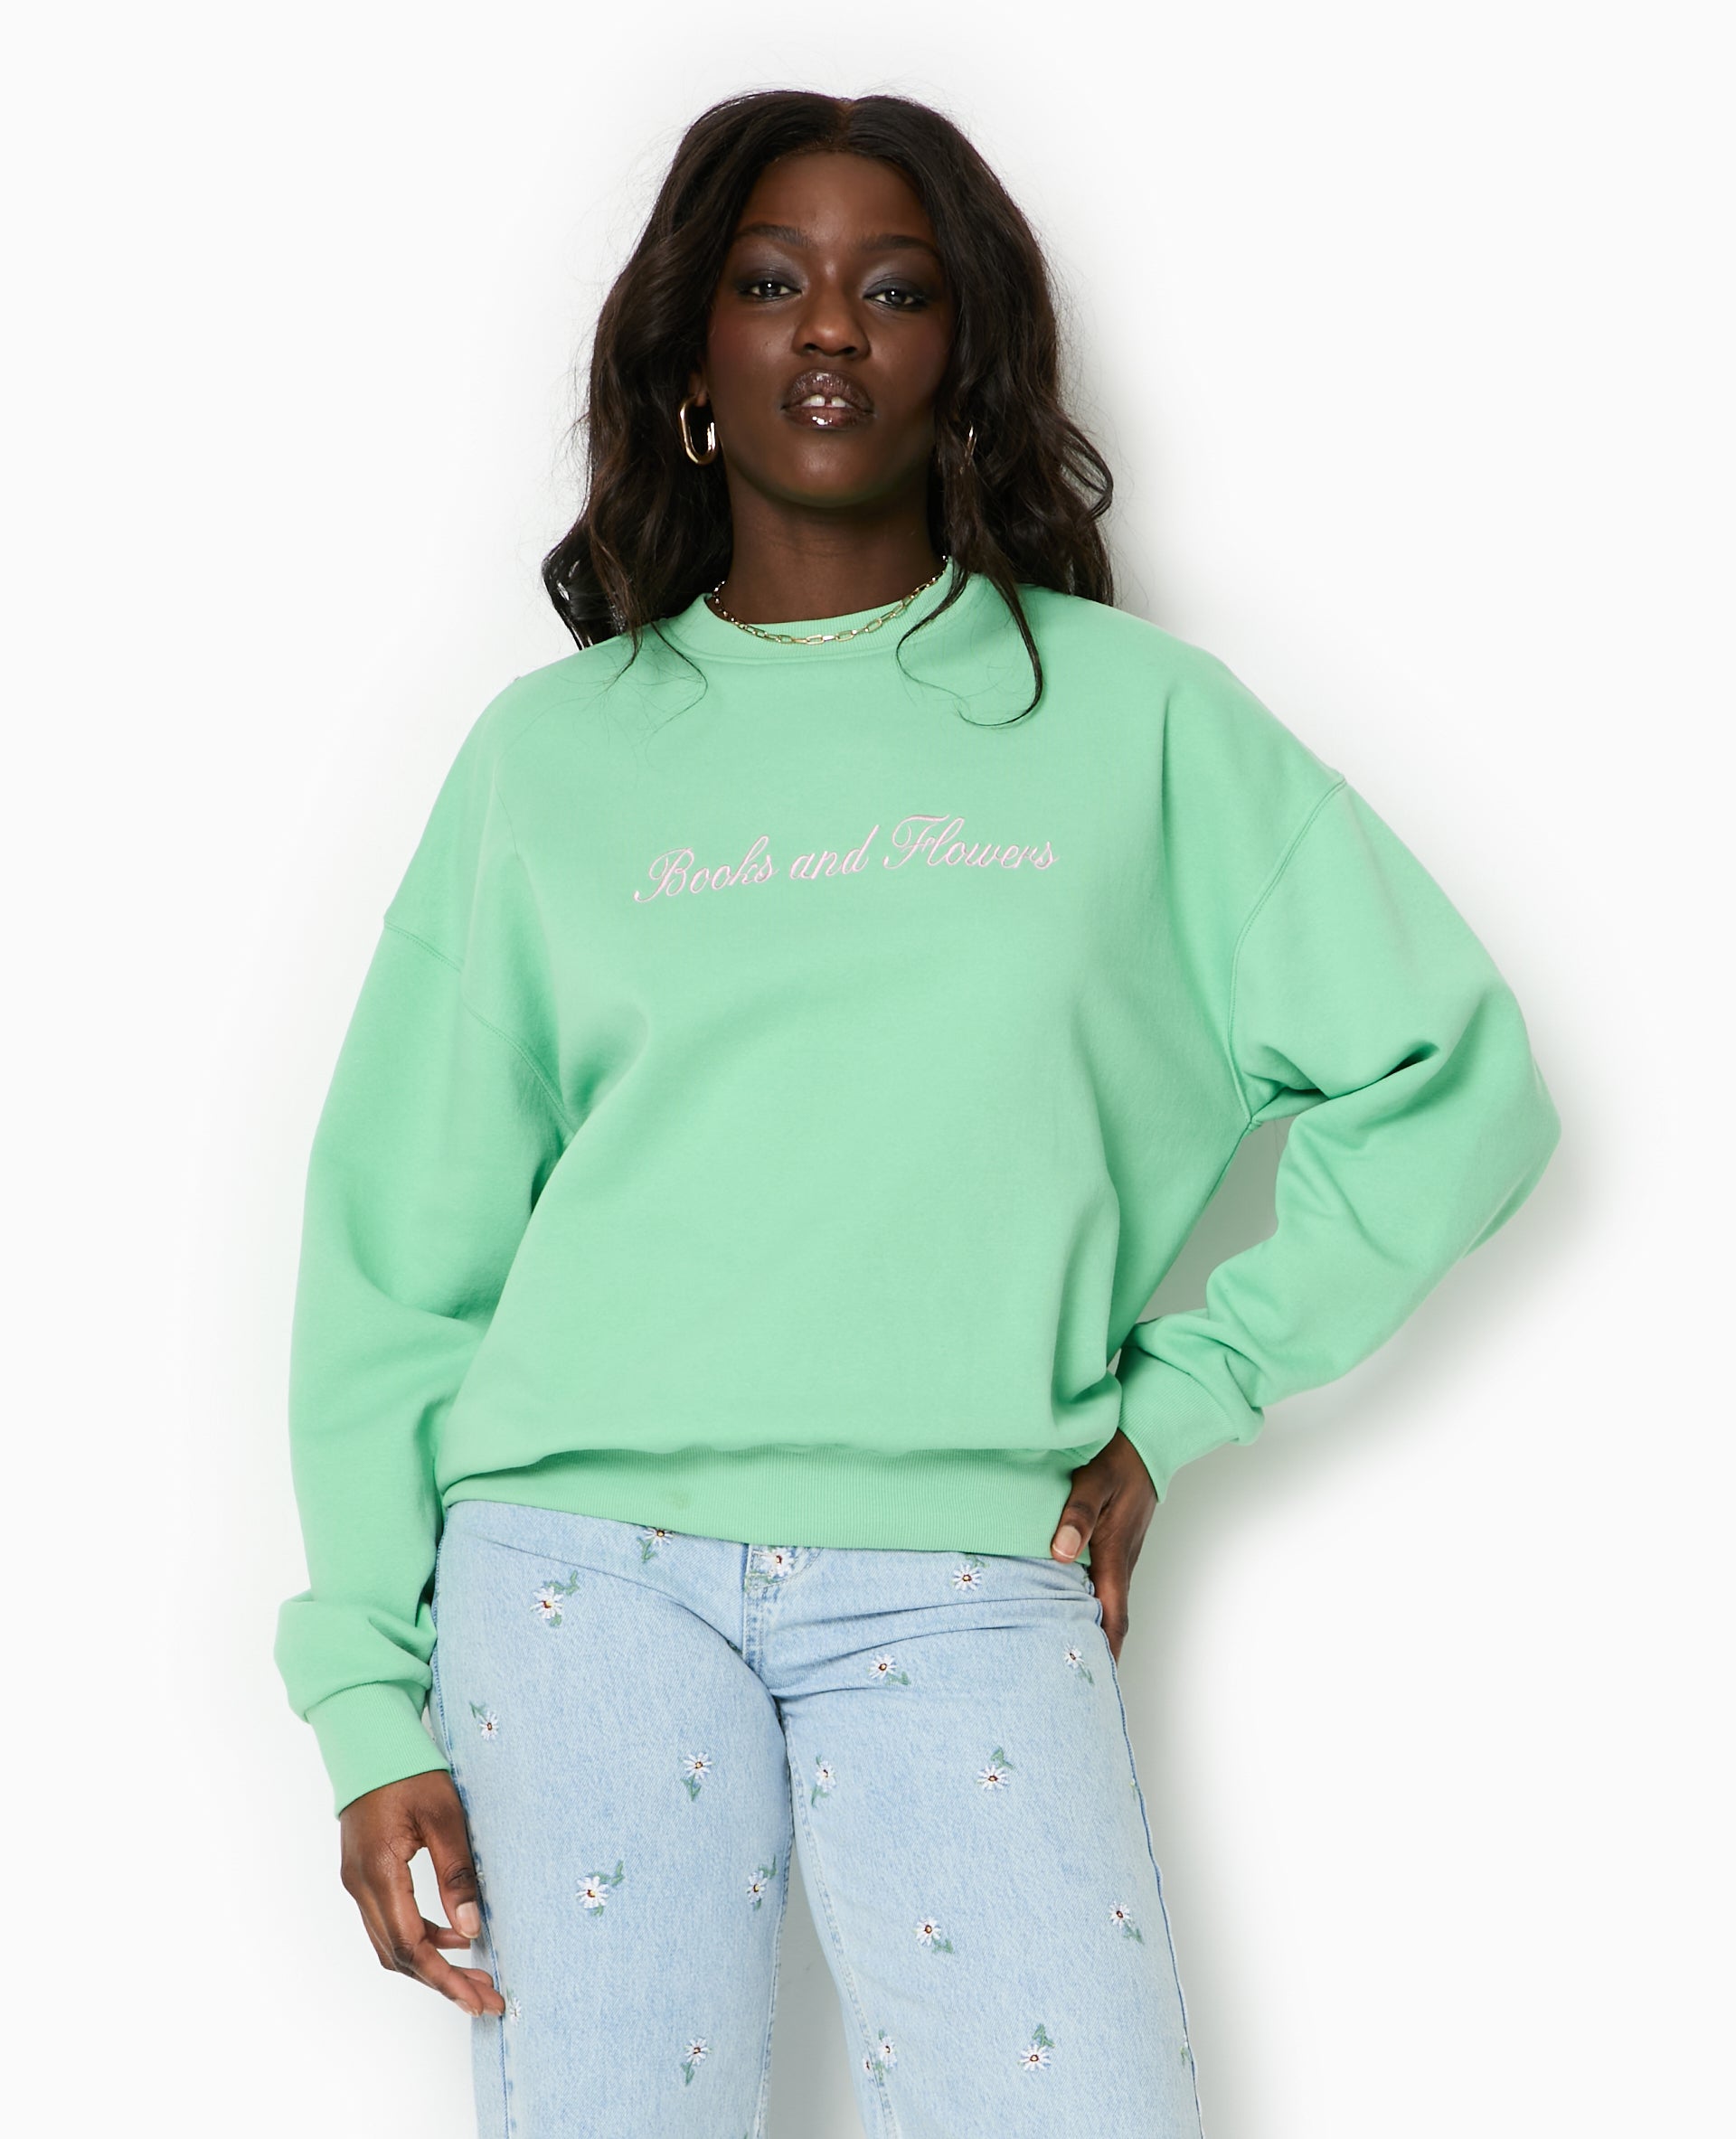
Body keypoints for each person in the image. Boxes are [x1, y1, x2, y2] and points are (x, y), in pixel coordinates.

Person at [273, 89, 1561, 2139]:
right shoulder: (550, 761)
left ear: (968, 355)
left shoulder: (1139, 723)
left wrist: (1182, 1400)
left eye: (895, 290)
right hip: (578, 1576)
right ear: (691, 353)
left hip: (966, 1564)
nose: (829, 329)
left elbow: (1453, 1083)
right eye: (771, 283)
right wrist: (364, 1696)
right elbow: (395, 1254)